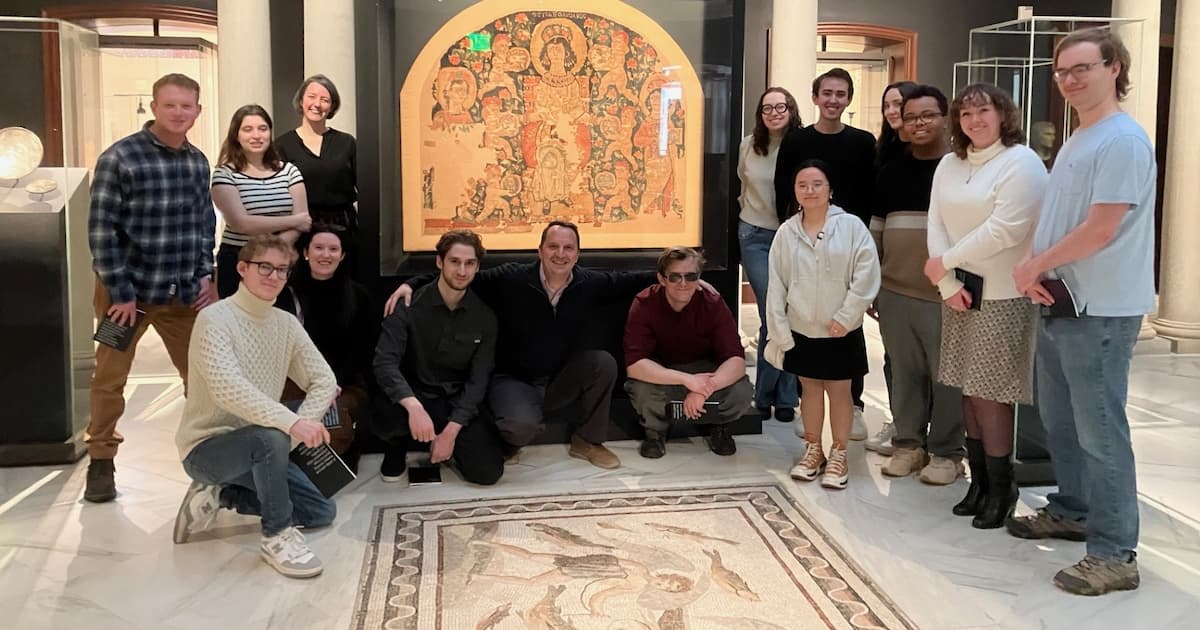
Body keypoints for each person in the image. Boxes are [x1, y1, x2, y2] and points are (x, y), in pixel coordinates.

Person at [1009, 28, 1154, 596]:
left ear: (1113, 67)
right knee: (1062, 419)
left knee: (1100, 429)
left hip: (1101, 308)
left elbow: (1102, 228)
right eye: (1061, 71)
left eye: (1082, 68)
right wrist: (1033, 264)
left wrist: (1035, 264)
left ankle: (1116, 552)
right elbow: (1058, 217)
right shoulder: (1082, 137)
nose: (1069, 80)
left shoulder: (1121, 140)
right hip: (1061, 298)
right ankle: (1074, 509)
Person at [384, 221, 659, 469]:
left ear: (577, 254)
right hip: (513, 380)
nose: (560, 254)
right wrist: (412, 283)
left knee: (602, 363)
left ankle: (587, 441)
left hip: (558, 380)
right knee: (519, 426)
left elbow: (630, 280)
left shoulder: (590, 282)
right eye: (553, 246)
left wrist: (689, 282)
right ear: (539, 250)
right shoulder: (511, 278)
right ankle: (509, 437)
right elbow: (461, 277)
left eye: (568, 248)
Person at [85, 73, 218, 503]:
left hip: (181, 294)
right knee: (109, 378)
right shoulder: (119, 158)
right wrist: (120, 291)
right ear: (154, 106)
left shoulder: (198, 161)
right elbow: (101, 231)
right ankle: (101, 460)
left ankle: (209, 457)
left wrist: (205, 274)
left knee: (200, 380)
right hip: (126, 297)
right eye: (170, 105)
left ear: (197, 110)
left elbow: (203, 224)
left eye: (187, 106)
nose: (179, 113)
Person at [172, 234, 338, 579]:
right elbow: (228, 389)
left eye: (282, 270)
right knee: (269, 437)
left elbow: (324, 380)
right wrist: (290, 426)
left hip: (264, 447)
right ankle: (276, 536)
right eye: (265, 267)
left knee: (321, 510)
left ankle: (222, 496)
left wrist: (294, 432)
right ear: (242, 269)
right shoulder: (214, 319)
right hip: (208, 449)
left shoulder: (286, 324)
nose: (274, 276)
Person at [925, 83, 1047, 528]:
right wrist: (944, 281)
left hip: (1003, 293)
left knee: (991, 392)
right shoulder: (949, 164)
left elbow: (1006, 229)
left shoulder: (1022, 162)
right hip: (958, 291)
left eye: (983, 112)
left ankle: (1003, 487)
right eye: (966, 113)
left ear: (1003, 115)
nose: (974, 120)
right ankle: (979, 483)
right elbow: (935, 221)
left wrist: (945, 263)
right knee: (965, 386)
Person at [773, 68, 878, 440]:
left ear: (848, 99)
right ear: (815, 97)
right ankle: (809, 404)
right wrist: (797, 234)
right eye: (827, 93)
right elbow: (783, 191)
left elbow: (870, 195)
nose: (833, 100)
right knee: (806, 322)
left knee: (848, 324)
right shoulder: (797, 140)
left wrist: (856, 241)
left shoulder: (864, 142)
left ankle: (855, 404)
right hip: (804, 238)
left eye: (841, 94)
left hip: (849, 244)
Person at [869, 85, 965, 485]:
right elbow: (876, 231)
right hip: (896, 291)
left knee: (948, 378)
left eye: (927, 115)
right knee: (904, 372)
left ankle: (946, 452)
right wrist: (873, 284)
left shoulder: (962, 170)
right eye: (910, 118)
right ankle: (908, 444)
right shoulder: (891, 170)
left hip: (947, 294)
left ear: (946, 118)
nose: (918, 123)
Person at [765, 159, 879, 490]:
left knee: (840, 391)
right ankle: (813, 450)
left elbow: (867, 274)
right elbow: (777, 284)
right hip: (802, 327)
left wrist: (846, 317)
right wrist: (780, 328)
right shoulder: (787, 232)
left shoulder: (852, 227)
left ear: (830, 189)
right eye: (803, 185)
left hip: (840, 328)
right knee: (810, 389)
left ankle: (839, 453)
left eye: (817, 184)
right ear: (795, 191)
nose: (810, 190)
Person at [372, 230, 505, 485]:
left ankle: (443, 443)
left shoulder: (485, 317)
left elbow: (479, 380)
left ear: (477, 266)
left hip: (451, 401)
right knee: (385, 410)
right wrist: (413, 407)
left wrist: (452, 431)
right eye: (455, 261)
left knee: (487, 473)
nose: (462, 271)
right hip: (412, 396)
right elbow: (384, 362)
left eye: (469, 263)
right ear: (439, 262)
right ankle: (397, 445)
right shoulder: (407, 305)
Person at [623, 247, 754, 458]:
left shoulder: (712, 302)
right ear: (662, 279)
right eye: (675, 277)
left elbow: (736, 360)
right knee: (641, 389)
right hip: (663, 374)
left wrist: (702, 389)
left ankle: (720, 427)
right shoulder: (644, 303)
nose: (683, 284)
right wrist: (686, 380)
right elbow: (636, 365)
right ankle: (655, 432)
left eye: (690, 276)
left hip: (705, 373)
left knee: (741, 392)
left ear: (699, 277)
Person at [275, 223, 375, 463]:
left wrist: (331, 384)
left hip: (344, 384)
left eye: (333, 249)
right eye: (319, 247)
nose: (326, 254)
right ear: (306, 252)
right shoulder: (284, 294)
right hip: (294, 381)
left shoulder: (359, 296)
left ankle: (320, 473)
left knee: (331, 430)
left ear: (342, 256)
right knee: (280, 427)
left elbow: (362, 350)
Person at [737, 87, 802, 422]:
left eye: (781, 106)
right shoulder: (749, 145)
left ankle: (786, 397)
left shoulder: (803, 144)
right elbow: (742, 188)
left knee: (791, 313)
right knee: (770, 312)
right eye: (767, 108)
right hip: (755, 236)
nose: (774, 112)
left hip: (793, 237)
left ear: (791, 109)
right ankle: (764, 395)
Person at [865, 80, 919, 456]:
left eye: (899, 103)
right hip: (892, 274)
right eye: (888, 105)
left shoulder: (938, 157)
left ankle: (929, 434)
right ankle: (903, 425)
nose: (893, 111)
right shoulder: (883, 155)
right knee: (895, 356)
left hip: (930, 278)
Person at [212, 104, 311, 298]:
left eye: (262, 128)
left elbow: (303, 221)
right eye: (248, 129)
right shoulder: (225, 173)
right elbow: (241, 223)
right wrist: (292, 221)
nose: (256, 135)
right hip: (237, 259)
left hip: (280, 260)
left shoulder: (289, 171)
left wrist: (270, 252)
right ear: (236, 135)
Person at [276, 75, 359, 235]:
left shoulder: (347, 143)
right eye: (311, 97)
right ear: (301, 101)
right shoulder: (282, 145)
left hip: (343, 226)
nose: (317, 104)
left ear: (332, 107)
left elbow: (364, 187)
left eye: (325, 100)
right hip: (299, 228)